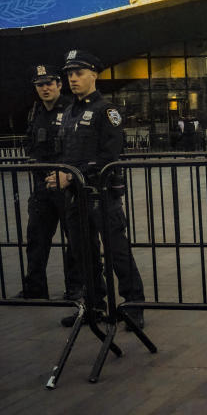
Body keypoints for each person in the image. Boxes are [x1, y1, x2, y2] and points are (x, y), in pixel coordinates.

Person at [47, 50, 146, 330]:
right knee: (83, 253)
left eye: (79, 73)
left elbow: (109, 155)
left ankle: (133, 306)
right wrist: (60, 174)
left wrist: (71, 175)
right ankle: (94, 306)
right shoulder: (68, 113)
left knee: (117, 251)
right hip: (75, 196)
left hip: (101, 194)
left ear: (94, 75)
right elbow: (64, 152)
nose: (73, 79)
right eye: (69, 74)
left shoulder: (107, 111)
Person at [20, 65, 81, 300]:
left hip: (65, 185)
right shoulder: (36, 111)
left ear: (58, 85)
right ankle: (35, 288)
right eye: (40, 85)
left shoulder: (71, 109)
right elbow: (30, 141)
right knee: (36, 238)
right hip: (42, 186)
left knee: (74, 239)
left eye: (49, 84)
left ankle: (76, 287)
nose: (45, 88)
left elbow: (76, 146)